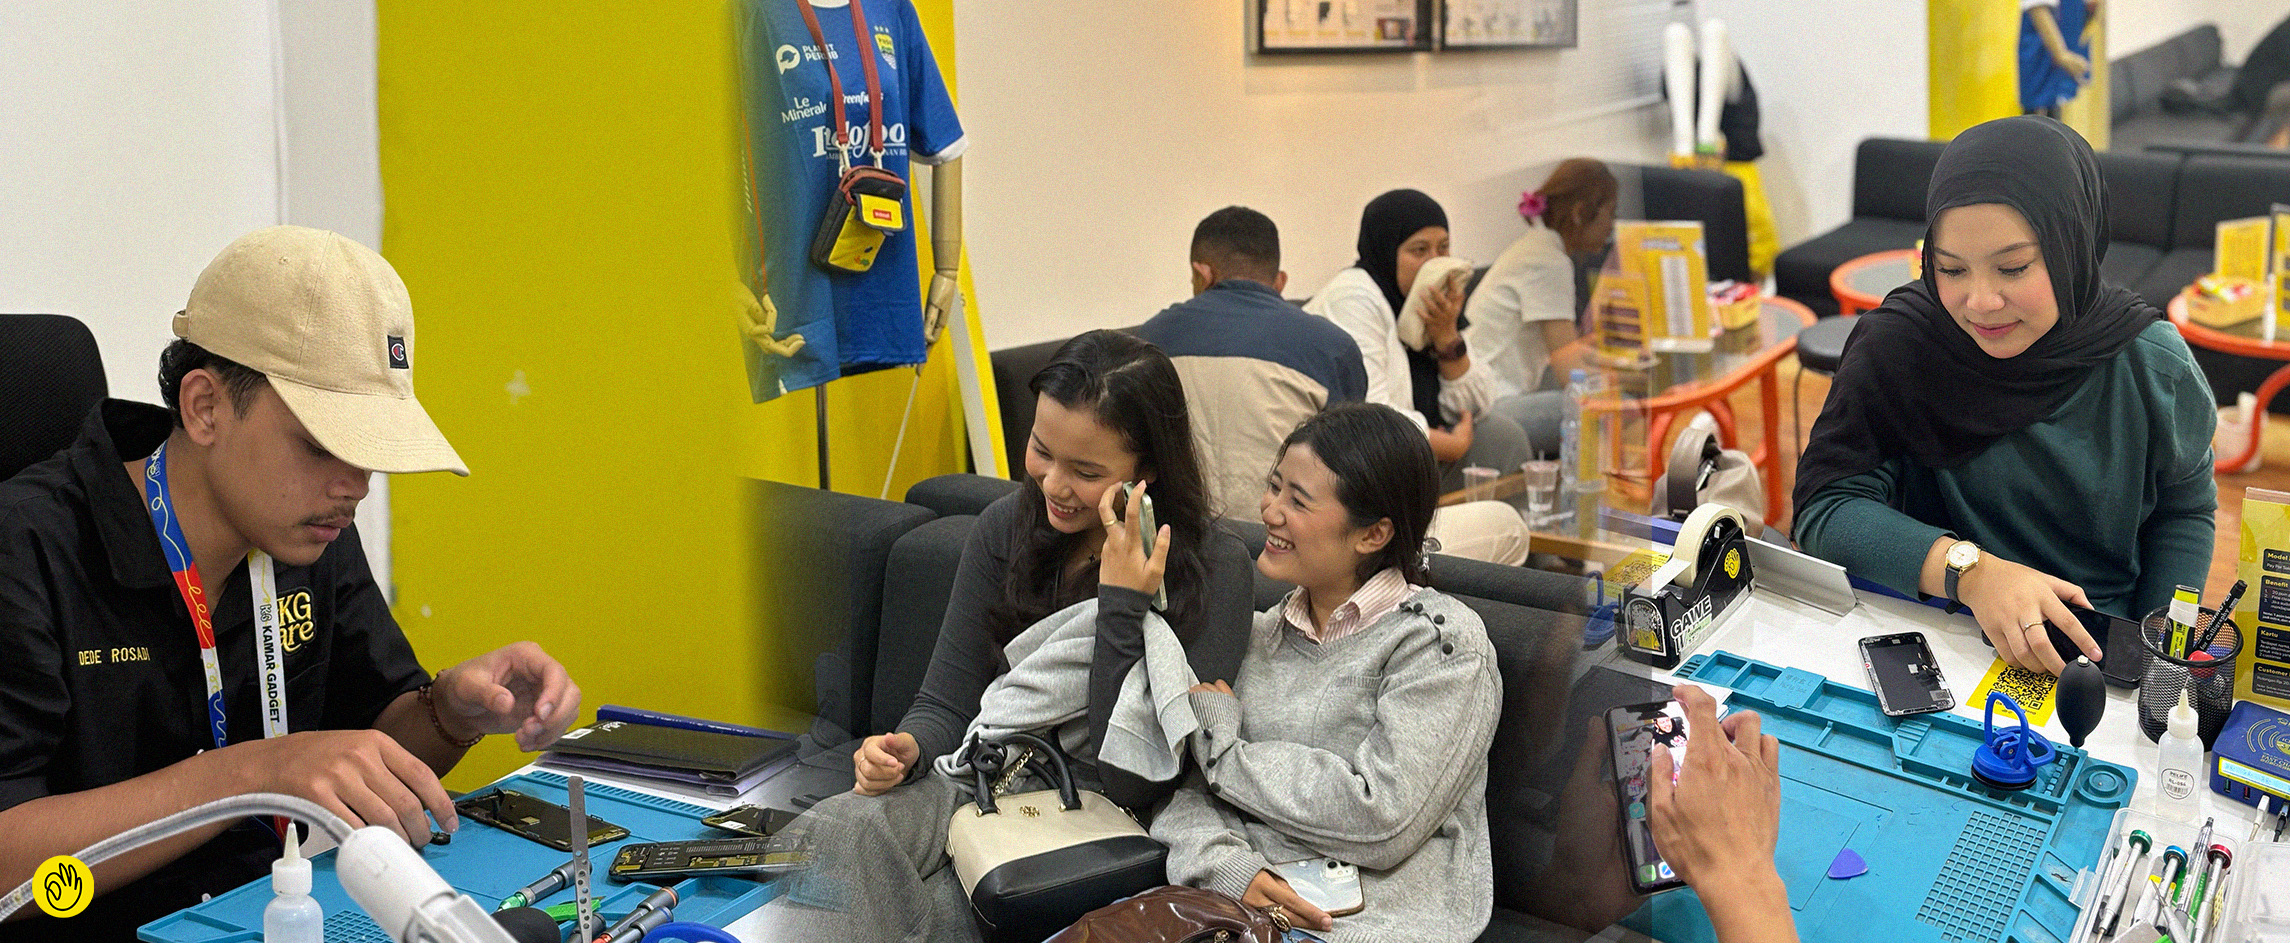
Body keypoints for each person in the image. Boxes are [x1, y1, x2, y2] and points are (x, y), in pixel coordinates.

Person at [0, 226, 583, 940]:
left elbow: (368, 745)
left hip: (274, 912)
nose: (355, 486)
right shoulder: (25, 547)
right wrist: (254, 773)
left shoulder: (306, 526)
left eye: (368, 452)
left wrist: (448, 714)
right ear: (206, 408)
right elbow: (4, 872)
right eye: (319, 444)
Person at [775, 329, 1255, 942]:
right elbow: (946, 703)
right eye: (1040, 450)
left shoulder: (1214, 568)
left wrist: (1121, 608)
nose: (1052, 484)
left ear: (1149, 470)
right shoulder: (1007, 527)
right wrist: (906, 749)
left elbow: (1140, 781)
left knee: (936, 915)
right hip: (985, 772)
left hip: (1095, 821)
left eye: (1085, 471)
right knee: (837, 832)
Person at [1793, 116, 2216, 675]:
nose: (1981, 302)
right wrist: (1971, 573)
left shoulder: (2149, 364)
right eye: (1951, 269)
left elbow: (2184, 509)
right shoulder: (1901, 346)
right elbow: (1826, 508)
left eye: (2013, 268)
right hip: (1936, 631)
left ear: (2072, 250)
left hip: (2092, 646)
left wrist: (2157, 649)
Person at [1153, 402, 1504, 943]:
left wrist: (1225, 753)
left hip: (1373, 927)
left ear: (1373, 534)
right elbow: (1183, 791)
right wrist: (1228, 868)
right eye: (1274, 487)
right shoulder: (1259, 632)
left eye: (1298, 501)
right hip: (1234, 915)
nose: (1270, 510)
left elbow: (1380, 817)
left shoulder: (1440, 646)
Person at [1135, 206, 1368, 519]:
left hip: (1175, 535)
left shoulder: (1147, 341)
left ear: (1202, 275)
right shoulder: (1333, 347)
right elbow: (1351, 470)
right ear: (1280, 281)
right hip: (1284, 536)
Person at [1305, 189, 1533, 495]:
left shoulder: (1429, 305)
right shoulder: (1353, 298)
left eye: (1443, 248)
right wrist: (1449, 446)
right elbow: (1368, 415)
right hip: (1356, 462)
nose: (1435, 263)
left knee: (1502, 435)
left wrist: (1446, 337)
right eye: (1420, 250)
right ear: (1386, 251)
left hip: (1413, 448)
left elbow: (1476, 407)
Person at [1466, 159, 1617, 455]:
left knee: (1601, 387)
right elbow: (1568, 367)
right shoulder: (1548, 261)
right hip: (1493, 406)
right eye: (1610, 213)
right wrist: (1620, 380)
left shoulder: (1538, 248)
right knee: (1599, 407)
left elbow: (1565, 352)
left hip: (1492, 394)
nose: (1611, 226)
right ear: (1580, 213)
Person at [2020, 0, 2097, 118]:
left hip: (2065, 49)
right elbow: (2037, 9)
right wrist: (2061, 54)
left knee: (2056, 106)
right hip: (2043, 50)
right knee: (2036, 111)